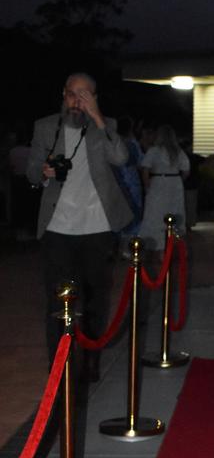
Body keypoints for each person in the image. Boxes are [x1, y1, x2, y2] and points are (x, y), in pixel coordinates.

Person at [26, 72, 132, 379]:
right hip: (58, 228)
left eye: (85, 95)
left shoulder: (105, 126)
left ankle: (90, 361)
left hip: (97, 227)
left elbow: (121, 158)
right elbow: (32, 172)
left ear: (95, 98)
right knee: (57, 301)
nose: (77, 101)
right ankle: (58, 366)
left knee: (96, 299)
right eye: (73, 94)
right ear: (63, 95)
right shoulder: (46, 127)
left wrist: (97, 117)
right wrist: (43, 172)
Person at [138, 124, 190, 252]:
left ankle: (157, 245)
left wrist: (147, 185)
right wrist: (178, 180)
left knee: (155, 213)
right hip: (174, 182)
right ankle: (171, 244)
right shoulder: (178, 151)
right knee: (174, 211)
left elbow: (145, 169)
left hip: (158, 182)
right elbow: (186, 170)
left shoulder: (154, 150)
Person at [113, 115, 144, 256]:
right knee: (134, 211)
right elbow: (141, 161)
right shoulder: (132, 143)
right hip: (130, 180)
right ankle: (127, 248)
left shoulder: (113, 142)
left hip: (115, 180)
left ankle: (117, 246)